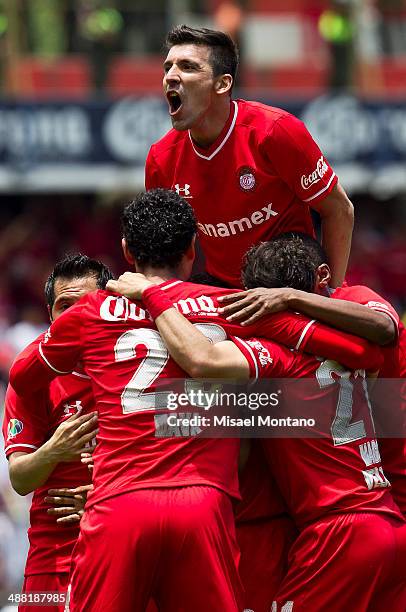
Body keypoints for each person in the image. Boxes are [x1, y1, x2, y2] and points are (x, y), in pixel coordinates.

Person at [9, 190, 379, 612]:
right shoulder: (233, 307)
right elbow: (361, 349)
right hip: (205, 505)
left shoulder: (91, 310)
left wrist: (83, 347)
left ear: (126, 251)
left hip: (119, 503)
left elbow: (22, 375)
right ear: (192, 249)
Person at [106, 269, 406, 611]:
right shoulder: (351, 351)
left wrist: (154, 295)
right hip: (385, 518)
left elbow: (203, 361)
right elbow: (376, 347)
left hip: (328, 532)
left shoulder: (276, 359)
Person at [145, 24, 354, 288]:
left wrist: (330, 292)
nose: (171, 76)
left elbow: (339, 209)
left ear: (223, 84)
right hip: (224, 290)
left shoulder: (274, 131)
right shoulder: (160, 158)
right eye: (168, 68)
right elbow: (166, 249)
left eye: (188, 67)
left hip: (292, 288)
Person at [218, 231, 406, 516]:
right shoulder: (303, 337)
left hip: (396, 458)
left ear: (322, 277)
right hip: (365, 477)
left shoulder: (353, 297)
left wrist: (292, 298)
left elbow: (385, 329)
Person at [2, 255, 111, 612]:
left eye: (86, 305)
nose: (75, 316)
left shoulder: (138, 363)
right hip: (53, 554)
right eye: (65, 306)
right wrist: (53, 451)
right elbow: (19, 478)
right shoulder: (31, 377)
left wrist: (103, 503)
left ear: (110, 307)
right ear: (50, 315)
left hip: (120, 541)